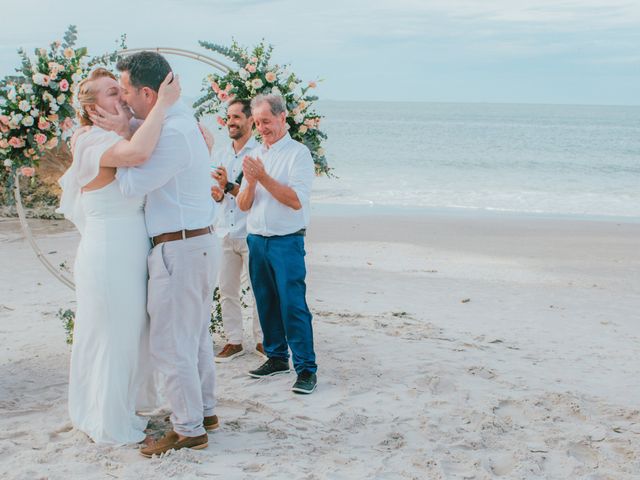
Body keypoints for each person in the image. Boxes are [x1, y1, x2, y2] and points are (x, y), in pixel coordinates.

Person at [99, 52, 218, 456]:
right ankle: (204, 411)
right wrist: (127, 125)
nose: (125, 99)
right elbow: (146, 127)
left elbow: (132, 186)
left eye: (128, 91)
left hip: (179, 248)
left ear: (148, 93)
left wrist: (122, 144)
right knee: (195, 337)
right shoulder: (178, 123)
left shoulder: (173, 133)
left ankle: (188, 429)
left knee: (171, 344)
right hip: (194, 244)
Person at [58, 67, 180, 444]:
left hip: (129, 249)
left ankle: (114, 406)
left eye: (121, 90)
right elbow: (140, 153)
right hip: (109, 251)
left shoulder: (116, 134)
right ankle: (108, 422)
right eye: (112, 93)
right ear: (93, 110)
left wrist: (135, 121)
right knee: (111, 335)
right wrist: (164, 103)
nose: (122, 98)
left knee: (127, 335)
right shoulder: (90, 141)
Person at [237, 94, 318, 394]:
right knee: (265, 303)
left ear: (282, 118)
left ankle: (307, 368)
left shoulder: (298, 154)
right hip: (256, 239)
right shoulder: (257, 154)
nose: (261, 128)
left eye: (266, 121)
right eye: (257, 123)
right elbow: (244, 204)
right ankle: (276, 357)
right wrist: (253, 181)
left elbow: (295, 200)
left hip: (286, 241)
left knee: (293, 305)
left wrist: (263, 177)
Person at [210, 99, 264, 362]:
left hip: (250, 231)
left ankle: (263, 340)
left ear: (250, 121)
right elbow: (219, 195)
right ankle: (234, 340)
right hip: (224, 232)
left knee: (259, 289)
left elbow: (253, 196)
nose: (231, 122)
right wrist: (218, 194)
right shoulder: (220, 154)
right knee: (226, 289)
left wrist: (228, 185)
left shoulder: (258, 154)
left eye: (236, 117)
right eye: (228, 117)